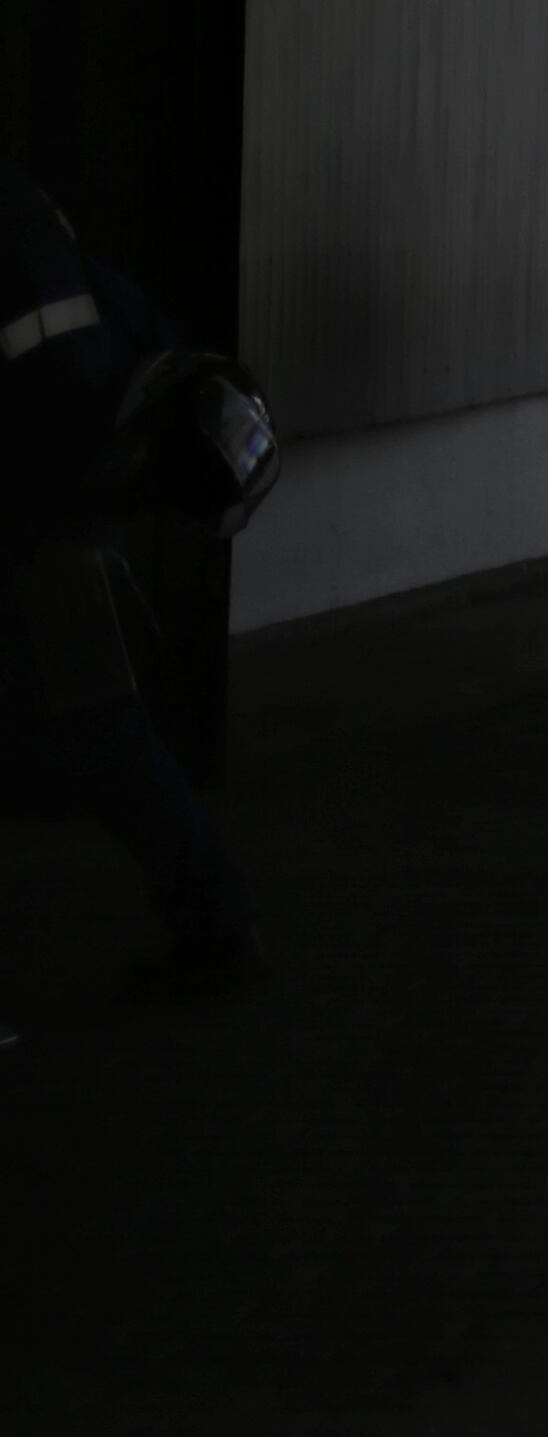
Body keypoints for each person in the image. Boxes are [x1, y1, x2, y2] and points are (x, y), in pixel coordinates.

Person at [0, 163, 262, 1013]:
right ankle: (215, 924)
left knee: (105, 731)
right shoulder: (86, 373)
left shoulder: (100, 366)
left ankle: (215, 924)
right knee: (109, 733)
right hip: (54, 509)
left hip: (52, 509)